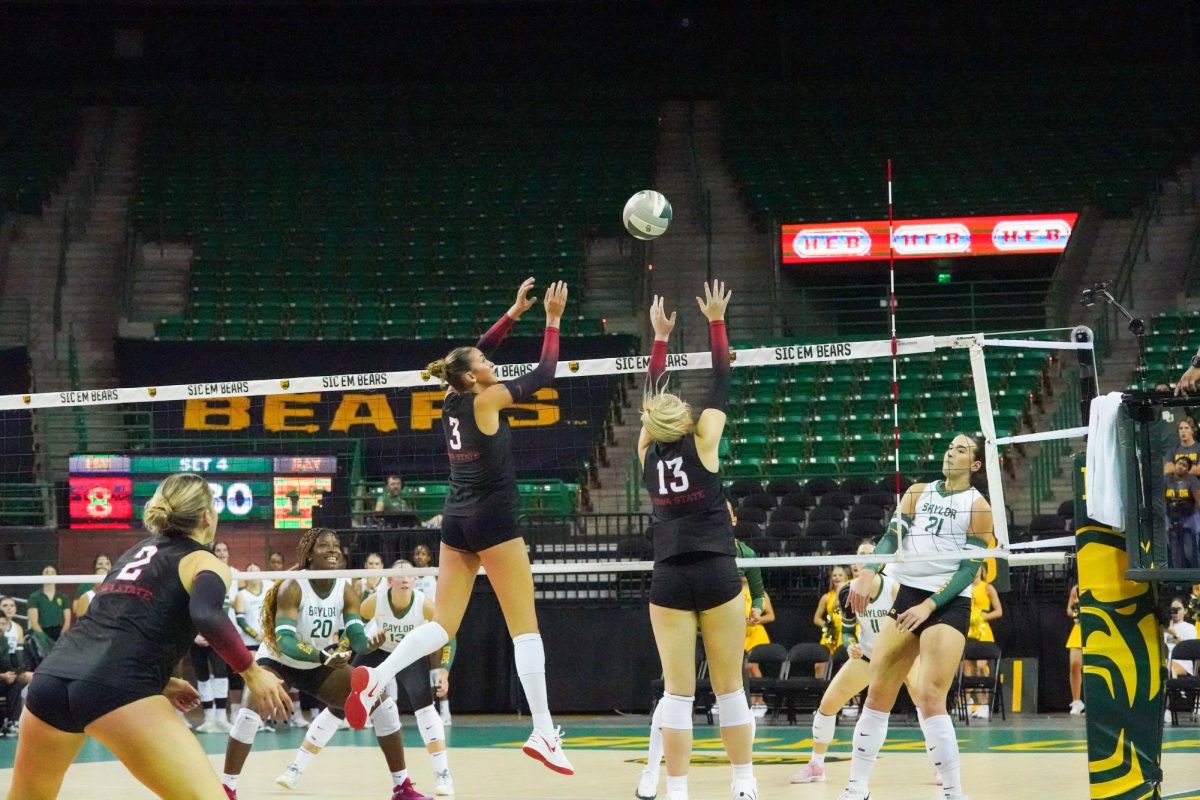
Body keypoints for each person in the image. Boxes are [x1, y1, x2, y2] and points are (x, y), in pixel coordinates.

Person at [345, 278, 575, 775]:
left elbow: (474, 354)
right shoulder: (486, 401)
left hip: (456, 519)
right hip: (494, 519)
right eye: (486, 369)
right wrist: (552, 318)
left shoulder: (451, 397)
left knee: (441, 626)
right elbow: (547, 372)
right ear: (471, 380)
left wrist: (513, 313)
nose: (492, 367)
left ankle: (378, 675)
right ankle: (542, 729)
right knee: (525, 630)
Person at [6, 472, 292, 800]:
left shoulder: (133, 555)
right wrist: (253, 673)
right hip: (117, 687)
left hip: (52, 681)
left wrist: (161, 681)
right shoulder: (204, 560)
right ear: (207, 516)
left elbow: (111, 624)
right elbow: (207, 614)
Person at [630, 284, 756, 800]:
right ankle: (743, 783)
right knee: (730, 690)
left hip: (669, 577)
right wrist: (717, 321)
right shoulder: (704, 437)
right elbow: (723, 377)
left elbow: (650, 400)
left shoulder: (645, 451)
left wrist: (659, 339)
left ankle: (677, 789)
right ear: (681, 417)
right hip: (717, 571)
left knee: (677, 694)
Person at [837, 433, 995, 800]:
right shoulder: (917, 491)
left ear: (974, 464)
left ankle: (954, 792)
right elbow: (891, 540)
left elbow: (968, 570)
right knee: (878, 691)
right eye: (950, 446)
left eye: (960, 449)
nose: (950, 452)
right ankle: (856, 788)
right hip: (908, 592)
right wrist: (868, 571)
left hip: (947, 601)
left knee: (929, 695)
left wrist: (930, 605)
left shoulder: (979, 506)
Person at [220, 528, 432, 800]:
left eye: (336, 545)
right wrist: (322, 656)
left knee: (384, 705)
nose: (332, 549)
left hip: (316, 662)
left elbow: (355, 637)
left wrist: (368, 644)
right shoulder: (293, 585)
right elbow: (285, 640)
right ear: (309, 555)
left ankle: (401, 787)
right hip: (277, 660)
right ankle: (226, 788)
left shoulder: (346, 591)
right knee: (249, 714)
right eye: (324, 546)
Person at [277, 559, 456, 796]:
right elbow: (353, 628)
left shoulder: (424, 605)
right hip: (377, 650)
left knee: (425, 708)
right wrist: (342, 649)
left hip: (408, 655)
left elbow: (449, 636)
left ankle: (442, 774)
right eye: (399, 576)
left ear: (415, 580)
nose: (405, 579)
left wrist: (443, 669)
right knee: (338, 706)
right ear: (389, 581)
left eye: (410, 575)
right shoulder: (376, 601)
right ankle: (295, 769)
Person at [791, 542, 940, 785]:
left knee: (926, 704)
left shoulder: (893, 589)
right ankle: (816, 765)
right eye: (860, 555)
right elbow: (848, 631)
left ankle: (939, 766)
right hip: (868, 656)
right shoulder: (845, 592)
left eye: (870, 555)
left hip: (900, 654)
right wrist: (851, 645)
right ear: (854, 563)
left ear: (879, 562)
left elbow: (914, 625)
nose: (863, 559)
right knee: (828, 703)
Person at [191, 542, 234, 733]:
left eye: (225, 550)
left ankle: (221, 717)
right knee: (202, 676)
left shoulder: (232, 575)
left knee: (221, 673)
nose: (222, 553)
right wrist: (194, 635)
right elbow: (189, 608)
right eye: (218, 550)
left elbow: (225, 608)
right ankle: (209, 718)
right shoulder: (195, 576)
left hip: (218, 634)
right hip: (197, 636)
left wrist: (217, 632)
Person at [963, 566, 1003, 720]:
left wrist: (982, 618)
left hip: (983, 631)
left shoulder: (988, 587)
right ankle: (968, 702)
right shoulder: (964, 588)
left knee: (980, 667)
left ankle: (984, 704)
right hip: (967, 631)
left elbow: (999, 611)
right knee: (967, 670)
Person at [813, 566, 849, 679]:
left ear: (846, 577)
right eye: (834, 575)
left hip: (846, 631)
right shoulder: (826, 597)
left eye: (840, 575)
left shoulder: (851, 592)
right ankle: (821, 693)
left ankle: (853, 696)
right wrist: (827, 626)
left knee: (846, 666)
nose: (837, 577)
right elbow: (816, 618)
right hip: (831, 634)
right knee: (819, 665)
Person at [1165, 455, 1200, 569]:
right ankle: (1178, 585)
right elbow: (1159, 500)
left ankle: (1195, 580)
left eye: (1184, 465)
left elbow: (1198, 500)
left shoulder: (1192, 480)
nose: (1181, 467)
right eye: (1179, 463)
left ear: (1188, 470)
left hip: (1188, 519)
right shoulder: (1167, 479)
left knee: (1189, 553)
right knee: (1175, 554)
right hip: (1171, 518)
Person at [26, 566, 71, 642]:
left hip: (58, 632)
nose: (49, 575)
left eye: (53, 572)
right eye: (46, 572)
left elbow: (67, 622)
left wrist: (61, 636)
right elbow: (34, 622)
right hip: (41, 632)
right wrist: (43, 638)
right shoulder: (34, 597)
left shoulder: (63, 597)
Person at [71, 554, 113, 618]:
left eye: (107, 564)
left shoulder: (116, 589)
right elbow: (77, 612)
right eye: (100, 564)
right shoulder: (86, 592)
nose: (104, 566)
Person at [1165, 597, 1198, 678]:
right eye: (1173, 609)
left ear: (1185, 611)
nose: (1175, 612)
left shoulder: (1189, 627)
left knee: (1168, 666)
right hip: (1166, 659)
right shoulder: (1165, 626)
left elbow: (1189, 650)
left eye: (1178, 609)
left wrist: (1174, 634)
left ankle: (1173, 687)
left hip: (1183, 662)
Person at [1066, 583, 1084, 715]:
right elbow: (1069, 610)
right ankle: (1077, 701)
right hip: (1079, 628)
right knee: (1075, 664)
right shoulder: (1076, 589)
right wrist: (1076, 614)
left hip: (1097, 627)